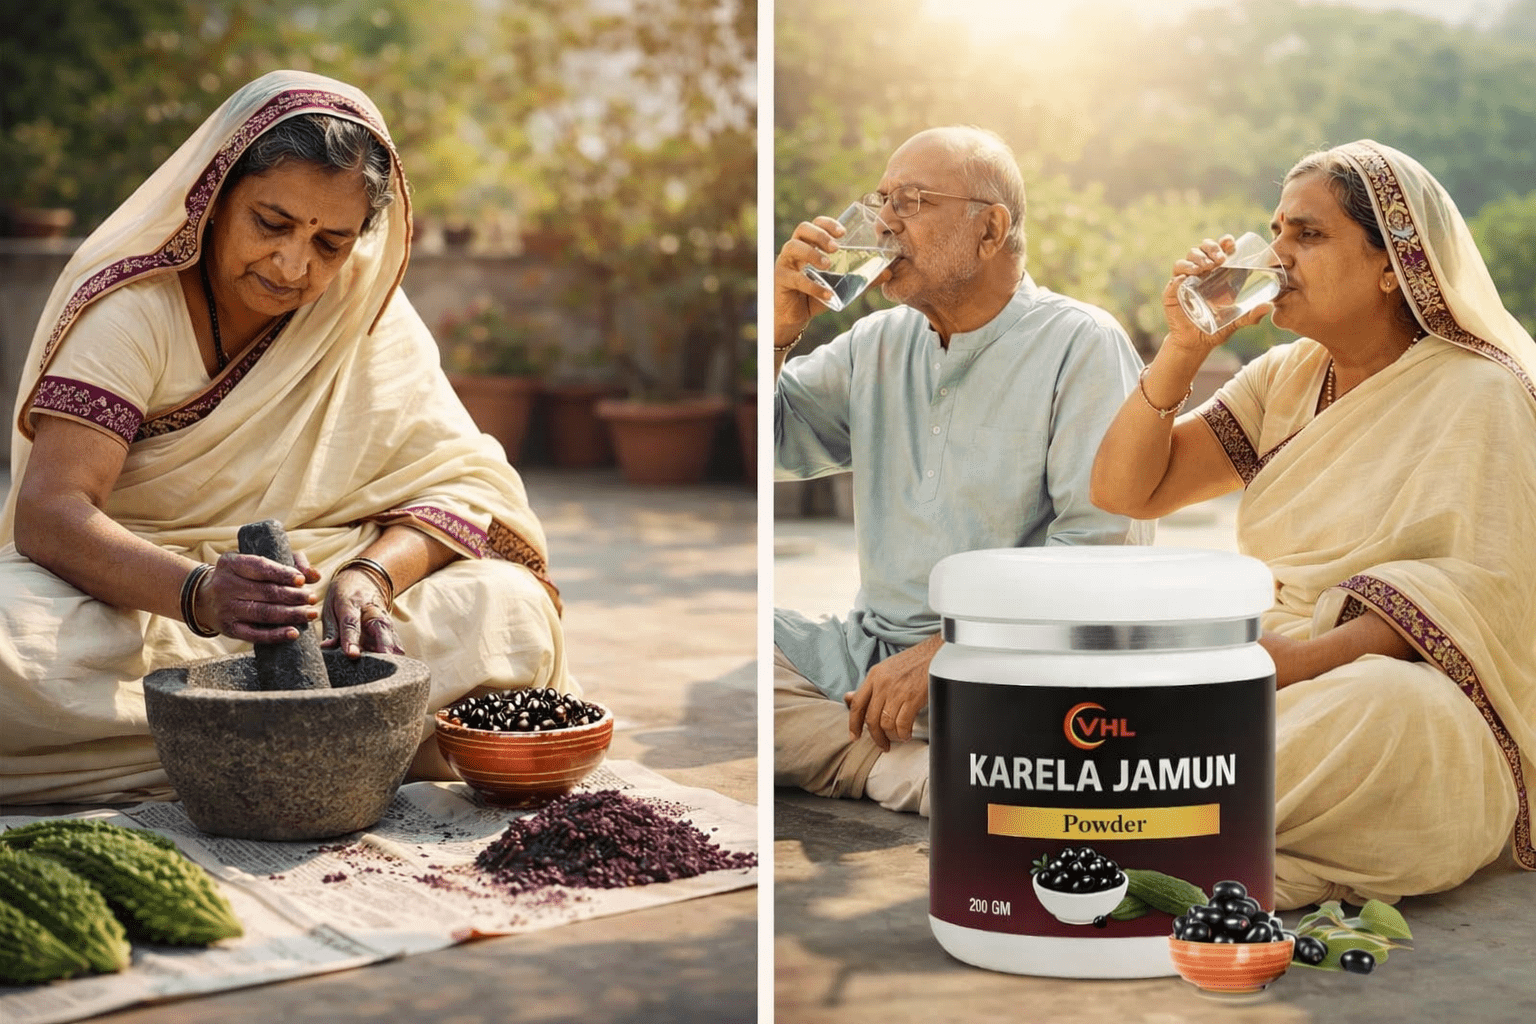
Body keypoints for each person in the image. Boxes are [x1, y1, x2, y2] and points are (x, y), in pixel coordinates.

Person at [0, 71, 572, 804]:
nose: (294, 265)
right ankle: (361, 737)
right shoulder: (133, 311)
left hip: (325, 604)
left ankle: (230, 739)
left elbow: (459, 485)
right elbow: (51, 513)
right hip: (139, 603)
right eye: (271, 223)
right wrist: (202, 592)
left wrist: (370, 578)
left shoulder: (361, 307)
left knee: (509, 611)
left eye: (330, 242)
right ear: (214, 198)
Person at [1090, 140, 1536, 908]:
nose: (1280, 255)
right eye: (1278, 231)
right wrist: (1184, 348)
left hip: (1382, 688)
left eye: (1310, 234)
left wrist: (1299, 662)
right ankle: (1172, 827)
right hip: (1271, 660)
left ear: (1392, 264)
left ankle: (1122, 822)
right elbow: (1128, 489)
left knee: (1395, 710)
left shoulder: (1481, 391)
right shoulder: (1285, 377)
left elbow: (1475, 588)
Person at [772, 126, 1150, 815]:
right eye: (881, 199)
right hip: (873, 658)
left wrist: (950, 651)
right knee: (747, 656)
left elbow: (1103, 556)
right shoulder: (876, 340)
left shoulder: (1080, 345)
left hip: (1011, 664)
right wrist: (777, 334)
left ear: (990, 229)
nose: (883, 221)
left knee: (1081, 720)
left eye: (911, 200)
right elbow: (772, 446)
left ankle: (903, 758)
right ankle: (902, 769)